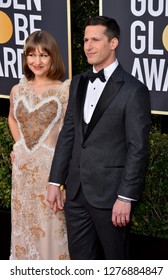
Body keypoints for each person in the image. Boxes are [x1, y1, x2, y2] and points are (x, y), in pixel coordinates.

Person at [47, 16, 151, 260]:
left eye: (96, 39)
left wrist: (125, 197)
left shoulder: (133, 90)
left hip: (111, 196)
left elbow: (138, 148)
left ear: (113, 43)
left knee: (116, 263)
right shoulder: (79, 82)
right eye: (85, 40)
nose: (88, 46)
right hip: (75, 194)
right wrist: (55, 181)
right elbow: (69, 133)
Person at [8, 30, 70, 260]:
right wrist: (19, 145)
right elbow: (12, 119)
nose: (37, 61)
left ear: (53, 57)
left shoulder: (64, 90)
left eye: (43, 55)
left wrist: (61, 181)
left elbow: (69, 135)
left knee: (51, 226)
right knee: (23, 224)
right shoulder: (18, 89)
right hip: (22, 172)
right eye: (31, 55)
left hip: (50, 172)